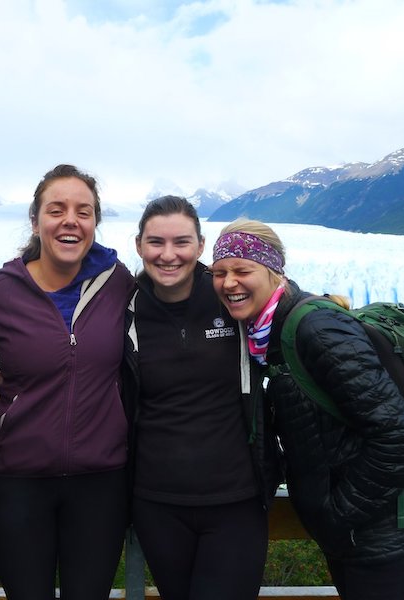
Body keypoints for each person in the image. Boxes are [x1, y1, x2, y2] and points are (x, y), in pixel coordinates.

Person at [210, 218, 404, 600]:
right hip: (357, 535)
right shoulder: (271, 333)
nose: (229, 282)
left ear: (273, 272)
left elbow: (399, 436)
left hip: (381, 534)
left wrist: (337, 515)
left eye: (242, 270)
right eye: (219, 272)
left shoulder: (316, 329)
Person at [0, 164, 134, 599]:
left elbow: (182, 298)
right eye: (57, 209)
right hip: (20, 482)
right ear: (35, 221)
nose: (71, 220)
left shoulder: (119, 283)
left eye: (83, 211)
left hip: (101, 481)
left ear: (95, 223)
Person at [123, 197, 281, 600]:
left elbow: (282, 303)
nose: (169, 255)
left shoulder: (229, 295)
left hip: (236, 499)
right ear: (139, 244)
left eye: (182, 242)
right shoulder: (123, 308)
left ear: (200, 245)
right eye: (156, 242)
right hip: (157, 501)